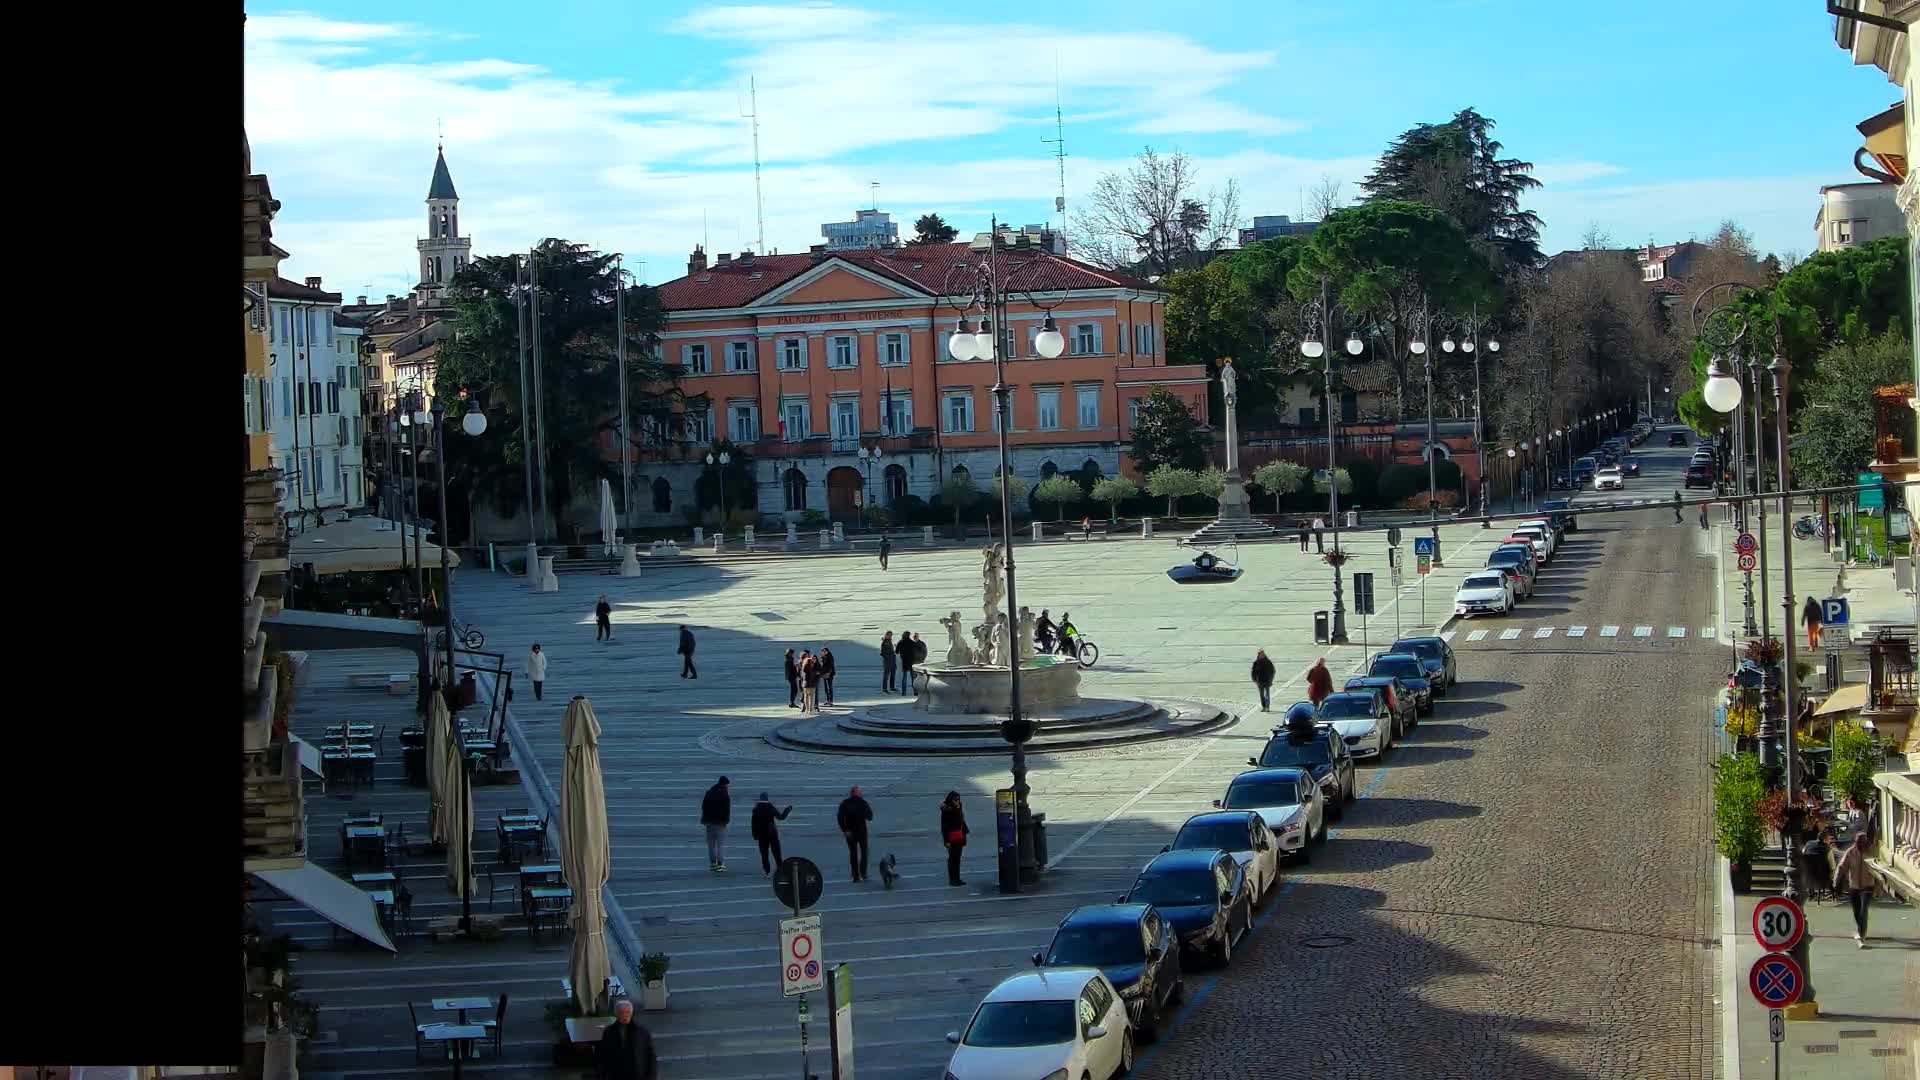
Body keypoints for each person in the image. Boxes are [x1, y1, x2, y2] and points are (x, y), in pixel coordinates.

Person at [1833, 826, 1877, 946]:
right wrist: (1836, 881)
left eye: (1863, 842)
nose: (1860, 845)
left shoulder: (1871, 851)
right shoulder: (1850, 852)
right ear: (1855, 842)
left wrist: (1879, 885)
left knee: (1863, 910)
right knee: (1857, 911)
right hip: (1854, 886)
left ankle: (1861, 935)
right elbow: (1841, 867)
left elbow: (1878, 868)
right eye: (1858, 842)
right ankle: (1860, 929)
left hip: (1867, 885)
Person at [596, 999, 658, 1080]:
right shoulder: (609, 1032)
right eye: (622, 1013)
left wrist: (651, 1076)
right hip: (617, 1074)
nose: (625, 1015)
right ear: (617, 1014)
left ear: (631, 1013)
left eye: (627, 1012)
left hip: (637, 1074)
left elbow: (651, 1056)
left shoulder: (641, 1032)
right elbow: (603, 1055)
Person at [750, 791, 793, 876]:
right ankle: (780, 869)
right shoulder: (770, 807)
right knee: (776, 852)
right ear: (767, 798)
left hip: (761, 834)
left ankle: (767, 871)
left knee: (764, 854)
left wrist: (755, 835)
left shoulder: (756, 809)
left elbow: (753, 823)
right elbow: (781, 817)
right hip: (772, 833)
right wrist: (787, 810)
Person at [837, 785, 874, 882]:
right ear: (859, 793)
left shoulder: (845, 803)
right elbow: (870, 817)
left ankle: (856, 876)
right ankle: (864, 873)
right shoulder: (863, 803)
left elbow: (840, 818)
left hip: (850, 832)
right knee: (864, 852)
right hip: (862, 832)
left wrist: (845, 830)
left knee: (853, 853)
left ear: (851, 794)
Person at [699, 776, 731, 872]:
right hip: (720, 823)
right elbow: (727, 810)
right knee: (720, 844)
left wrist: (705, 819)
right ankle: (720, 864)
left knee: (711, 844)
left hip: (709, 822)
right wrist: (726, 821)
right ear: (725, 784)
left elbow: (703, 806)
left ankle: (713, 864)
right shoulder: (725, 795)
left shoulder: (709, 792)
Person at [940, 791, 969, 886]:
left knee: (957, 858)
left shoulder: (958, 806)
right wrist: (946, 840)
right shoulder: (946, 810)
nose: (957, 801)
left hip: (960, 835)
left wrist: (957, 807)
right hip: (952, 837)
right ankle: (952, 879)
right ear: (950, 800)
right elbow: (944, 826)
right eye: (955, 799)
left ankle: (957, 878)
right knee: (953, 859)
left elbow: (960, 819)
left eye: (958, 799)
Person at [897, 629, 916, 695]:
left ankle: (904, 692)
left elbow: (896, 651)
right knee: (913, 677)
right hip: (911, 661)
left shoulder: (900, 642)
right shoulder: (911, 642)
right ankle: (915, 692)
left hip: (904, 661)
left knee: (904, 677)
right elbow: (915, 650)